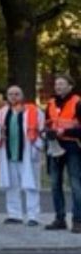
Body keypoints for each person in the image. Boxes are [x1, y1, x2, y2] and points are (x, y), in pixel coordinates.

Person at [0, 85, 43, 226]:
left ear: (22, 96)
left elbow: (41, 131)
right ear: (7, 96)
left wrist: (37, 147)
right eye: (10, 94)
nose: (13, 96)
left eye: (17, 94)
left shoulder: (33, 111)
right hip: (9, 153)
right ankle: (14, 214)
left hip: (28, 153)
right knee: (11, 185)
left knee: (31, 185)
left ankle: (33, 216)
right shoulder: (2, 112)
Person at [45, 76, 81, 233]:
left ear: (70, 86)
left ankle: (78, 220)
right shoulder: (51, 103)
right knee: (54, 184)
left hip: (73, 145)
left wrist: (65, 131)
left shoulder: (78, 102)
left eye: (61, 84)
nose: (57, 86)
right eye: (56, 84)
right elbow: (47, 123)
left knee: (75, 184)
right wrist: (47, 132)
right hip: (54, 145)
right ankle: (59, 219)